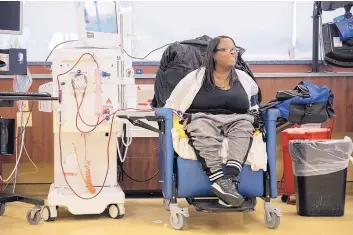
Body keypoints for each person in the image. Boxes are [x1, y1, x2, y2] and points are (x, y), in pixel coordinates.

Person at [164, 36, 260, 207]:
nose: (233, 52)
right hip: (203, 117)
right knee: (201, 127)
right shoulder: (194, 78)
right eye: (227, 49)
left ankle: (228, 181)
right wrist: (180, 120)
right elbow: (172, 105)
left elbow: (254, 106)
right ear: (214, 55)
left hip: (237, 119)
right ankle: (220, 180)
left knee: (245, 125)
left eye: (234, 48)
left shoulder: (245, 79)